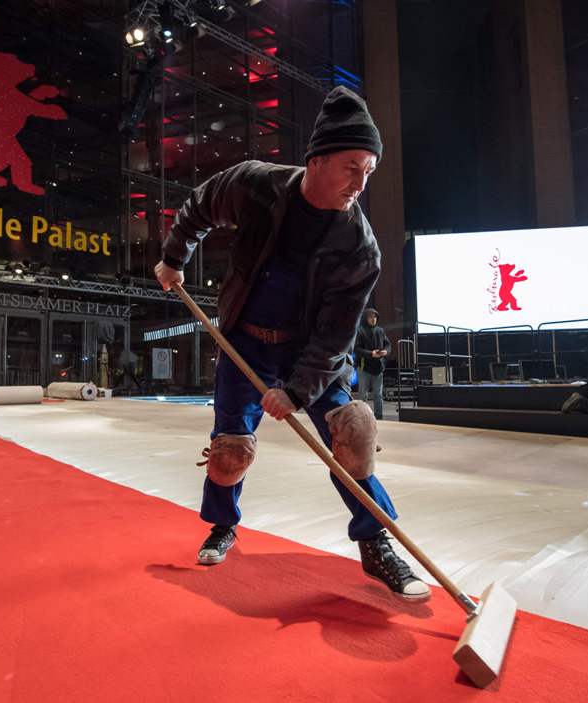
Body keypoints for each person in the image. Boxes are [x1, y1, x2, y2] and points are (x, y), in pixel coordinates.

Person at [153, 86, 429, 601]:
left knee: (354, 433)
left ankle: (376, 544)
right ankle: (222, 525)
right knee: (230, 451)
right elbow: (199, 207)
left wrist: (298, 390)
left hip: (311, 356)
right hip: (245, 343)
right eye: (352, 167)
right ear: (317, 159)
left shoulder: (358, 246)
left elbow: (334, 335)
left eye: (368, 171)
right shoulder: (256, 185)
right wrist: (174, 257)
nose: (360, 182)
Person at [354, 307, 391, 420]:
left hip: (378, 367)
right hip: (364, 367)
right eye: (370, 317)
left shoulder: (380, 331)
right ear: (366, 318)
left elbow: (388, 345)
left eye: (375, 317)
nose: (373, 319)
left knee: (378, 395)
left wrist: (386, 351)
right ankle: (361, 417)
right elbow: (356, 349)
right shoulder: (360, 331)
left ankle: (379, 417)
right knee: (362, 395)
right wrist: (371, 354)